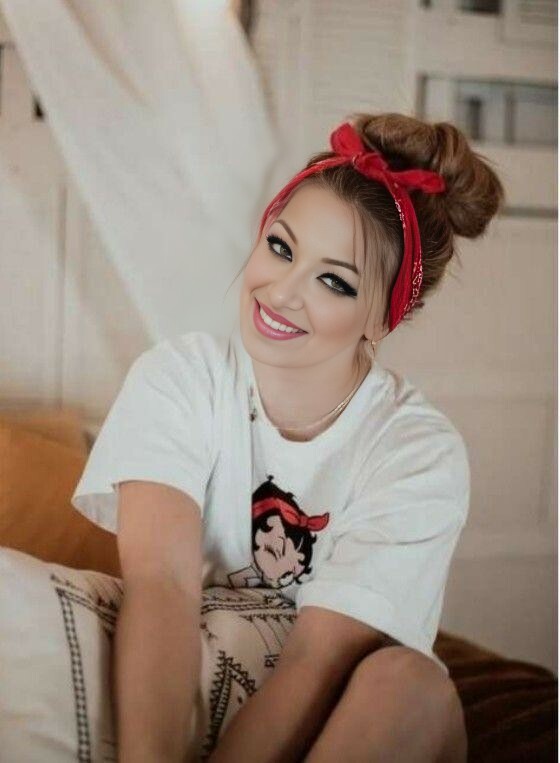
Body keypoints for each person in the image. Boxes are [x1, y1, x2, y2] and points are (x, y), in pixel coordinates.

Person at [72, 112, 504, 762]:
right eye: (281, 247)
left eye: (334, 281)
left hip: (352, 721)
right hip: (213, 684)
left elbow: (316, 663)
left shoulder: (417, 452)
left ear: (380, 319)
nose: (282, 292)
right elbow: (162, 584)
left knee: (410, 681)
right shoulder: (180, 377)